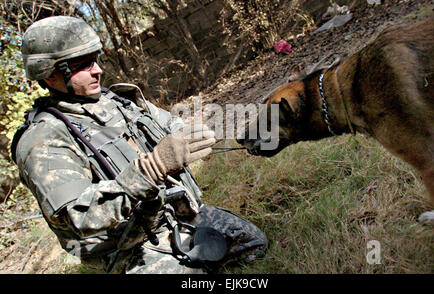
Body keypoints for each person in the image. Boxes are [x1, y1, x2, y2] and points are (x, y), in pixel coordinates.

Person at [11, 16, 267, 274]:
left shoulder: (117, 102)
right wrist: (153, 168)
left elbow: (171, 126)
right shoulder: (43, 139)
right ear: (50, 74)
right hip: (127, 248)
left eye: (96, 60)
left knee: (253, 243)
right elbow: (78, 215)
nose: (97, 70)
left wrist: (195, 135)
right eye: (83, 65)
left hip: (176, 217)